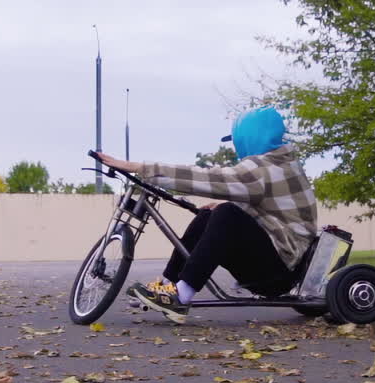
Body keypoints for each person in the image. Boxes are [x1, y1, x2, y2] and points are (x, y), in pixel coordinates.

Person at [95, 105, 317, 318]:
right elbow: (270, 210)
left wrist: (140, 168)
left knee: (227, 214)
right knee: (210, 214)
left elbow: (207, 177)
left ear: (250, 137)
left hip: (279, 273)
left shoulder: (265, 168)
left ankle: (181, 297)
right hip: (279, 265)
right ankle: (166, 286)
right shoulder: (279, 165)